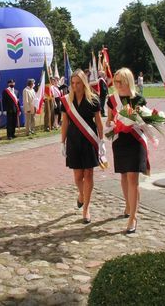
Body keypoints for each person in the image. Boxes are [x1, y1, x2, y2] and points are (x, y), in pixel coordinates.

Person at [107, 68, 148, 234]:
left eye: (120, 81)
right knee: (124, 175)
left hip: (135, 141)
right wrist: (111, 125)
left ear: (128, 81)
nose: (117, 84)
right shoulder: (112, 100)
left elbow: (144, 122)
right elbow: (109, 120)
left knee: (133, 177)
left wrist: (135, 123)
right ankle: (128, 205)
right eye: (115, 81)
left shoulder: (138, 99)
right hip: (120, 141)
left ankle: (133, 216)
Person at [60, 69, 104, 224]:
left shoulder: (93, 99)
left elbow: (98, 121)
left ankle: (86, 208)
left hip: (89, 140)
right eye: (72, 83)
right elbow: (65, 122)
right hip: (73, 140)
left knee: (89, 174)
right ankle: (81, 195)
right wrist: (62, 142)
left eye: (78, 83)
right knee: (78, 176)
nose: (75, 86)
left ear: (84, 83)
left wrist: (102, 141)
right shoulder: (66, 100)